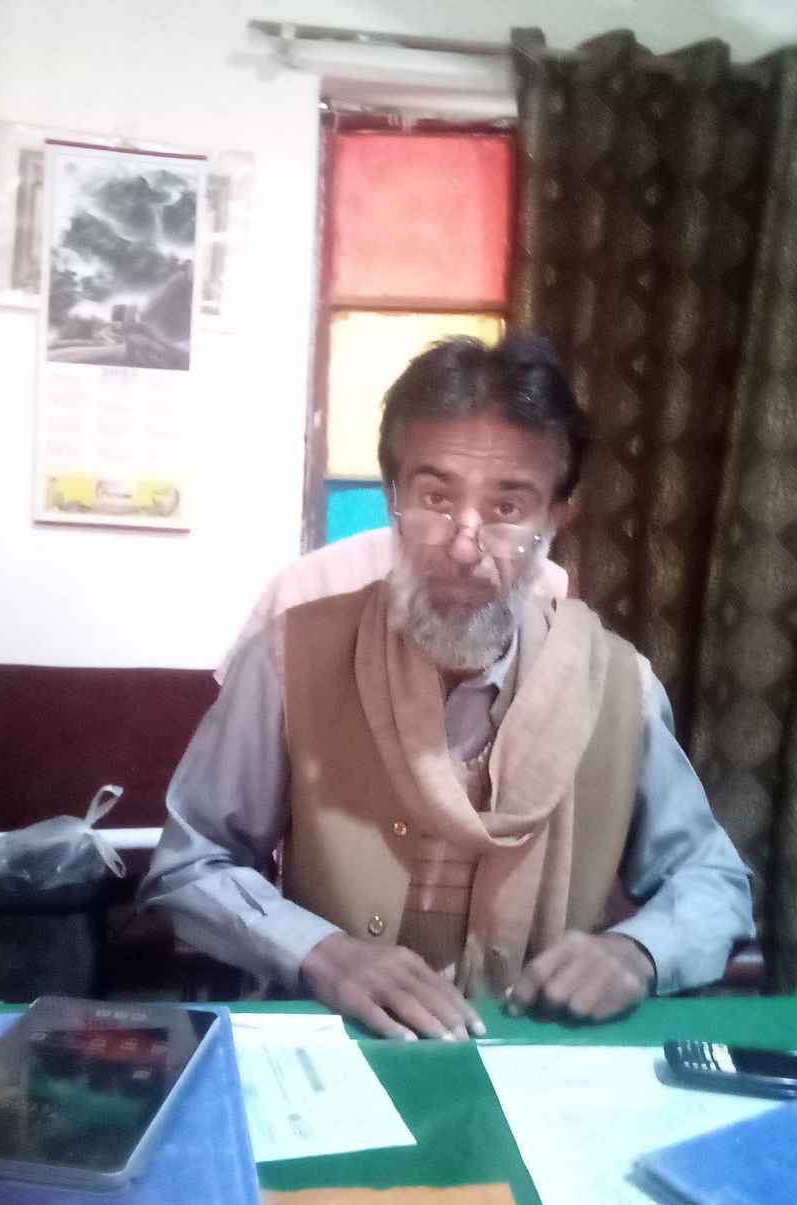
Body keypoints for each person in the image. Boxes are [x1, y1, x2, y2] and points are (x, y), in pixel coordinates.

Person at [138, 332, 754, 1040]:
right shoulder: (289, 657)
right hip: (334, 1048)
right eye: (435, 496)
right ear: (393, 498)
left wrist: (638, 952)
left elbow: (713, 880)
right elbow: (189, 867)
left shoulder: (617, 687)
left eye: (507, 508)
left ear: (557, 517)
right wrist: (321, 954)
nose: (464, 546)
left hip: (538, 1055)